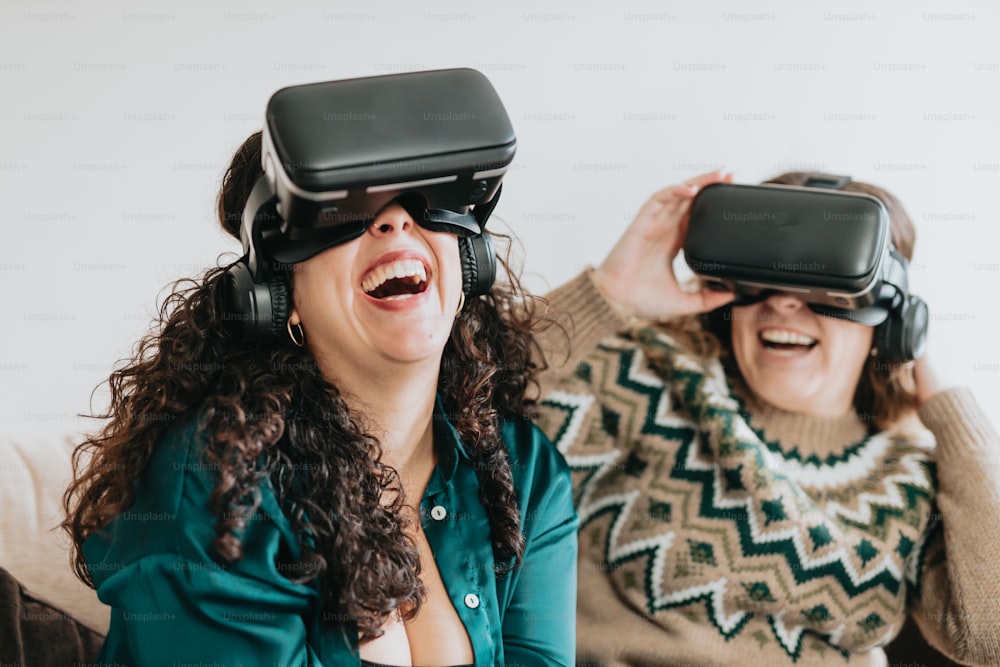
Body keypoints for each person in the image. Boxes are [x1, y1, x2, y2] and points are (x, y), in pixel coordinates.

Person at [61, 130, 578, 666]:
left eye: (424, 197)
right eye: (342, 209)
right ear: (280, 297)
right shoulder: (214, 486)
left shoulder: (525, 469)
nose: (395, 219)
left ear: (469, 263)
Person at [534, 170, 1000, 666]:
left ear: (888, 315)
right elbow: (469, 411)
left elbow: (989, 635)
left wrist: (948, 406)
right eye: (764, 276)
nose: (783, 300)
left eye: (825, 281)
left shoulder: (912, 478)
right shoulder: (644, 380)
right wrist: (608, 294)